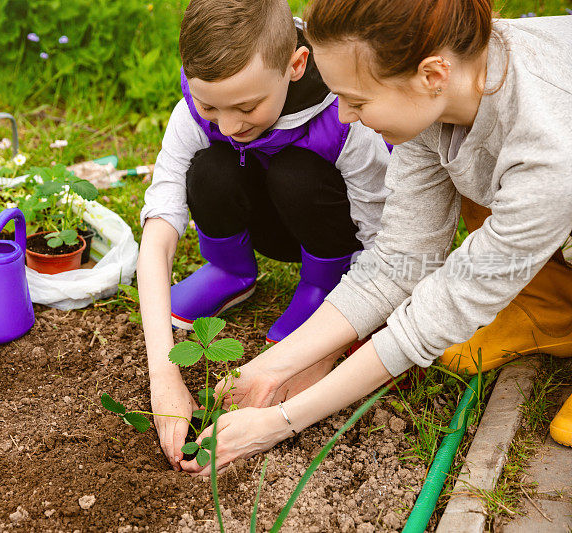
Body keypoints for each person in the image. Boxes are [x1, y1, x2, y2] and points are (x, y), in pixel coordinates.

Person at [179, 0, 572, 476]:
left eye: (359, 100)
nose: (343, 116)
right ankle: (554, 308)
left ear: (431, 75)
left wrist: (281, 422)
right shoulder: (443, 91)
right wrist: (270, 367)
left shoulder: (549, 149)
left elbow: (441, 311)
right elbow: (397, 262)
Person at [138, 0, 391, 471]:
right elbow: (159, 232)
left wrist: (331, 341)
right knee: (209, 167)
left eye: (247, 106)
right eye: (210, 105)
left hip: (327, 230)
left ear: (295, 66)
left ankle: (321, 289)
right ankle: (230, 271)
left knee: (296, 173)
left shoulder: (345, 116)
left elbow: (384, 239)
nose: (229, 125)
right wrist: (162, 373)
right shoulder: (192, 114)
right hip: (261, 222)